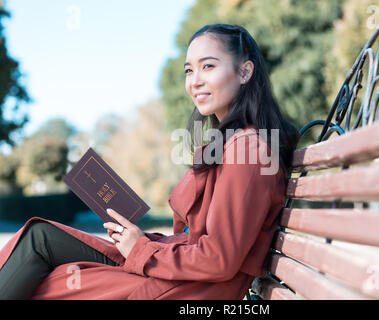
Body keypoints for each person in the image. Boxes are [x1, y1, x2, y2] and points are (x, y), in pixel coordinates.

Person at [0, 23, 300, 300]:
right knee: (41, 238)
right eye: (188, 71)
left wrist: (142, 250)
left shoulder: (249, 151)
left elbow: (219, 259)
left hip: (192, 291)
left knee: (41, 255)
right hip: (183, 273)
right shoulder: (233, 144)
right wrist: (139, 240)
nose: (195, 81)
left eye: (208, 66)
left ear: (245, 72)